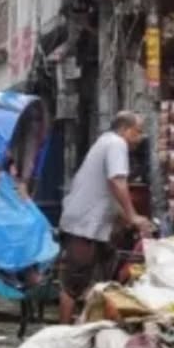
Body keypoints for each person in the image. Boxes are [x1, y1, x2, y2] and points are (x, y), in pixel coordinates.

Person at [58, 111, 152, 323]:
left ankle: (91, 326)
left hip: (93, 225)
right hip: (85, 226)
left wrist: (126, 218)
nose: (139, 138)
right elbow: (117, 182)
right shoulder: (116, 144)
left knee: (102, 279)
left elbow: (107, 191)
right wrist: (133, 215)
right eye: (137, 133)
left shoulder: (105, 142)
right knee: (73, 284)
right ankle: (62, 335)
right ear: (126, 130)